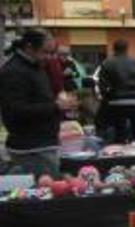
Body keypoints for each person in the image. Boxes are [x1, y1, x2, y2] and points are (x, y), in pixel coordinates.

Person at [0, 29, 74, 178]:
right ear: (29, 47)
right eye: (45, 52)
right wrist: (56, 106)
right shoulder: (14, 71)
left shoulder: (35, 66)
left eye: (51, 53)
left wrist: (58, 103)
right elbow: (16, 110)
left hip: (43, 141)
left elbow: (39, 97)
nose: (49, 57)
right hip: (31, 147)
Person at [96, 39, 135, 144]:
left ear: (113, 49)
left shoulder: (107, 63)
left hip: (116, 102)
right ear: (127, 49)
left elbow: (102, 85)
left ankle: (121, 152)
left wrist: (107, 99)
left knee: (119, 131)